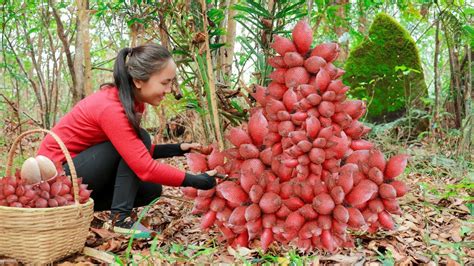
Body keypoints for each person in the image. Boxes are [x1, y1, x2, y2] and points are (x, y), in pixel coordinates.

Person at [37, 43, 216, 237]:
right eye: (165, 83)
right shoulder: (111, 107)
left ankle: (85, 212)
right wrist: (198, 181)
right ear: (139, 81)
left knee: (150, 190)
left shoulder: (132, 102)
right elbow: (143, 165)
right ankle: (119, 219)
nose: (170, 89)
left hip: (77, 174)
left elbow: (131, 149)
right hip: (52, 183)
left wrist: (179, 148)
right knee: (142, 137)